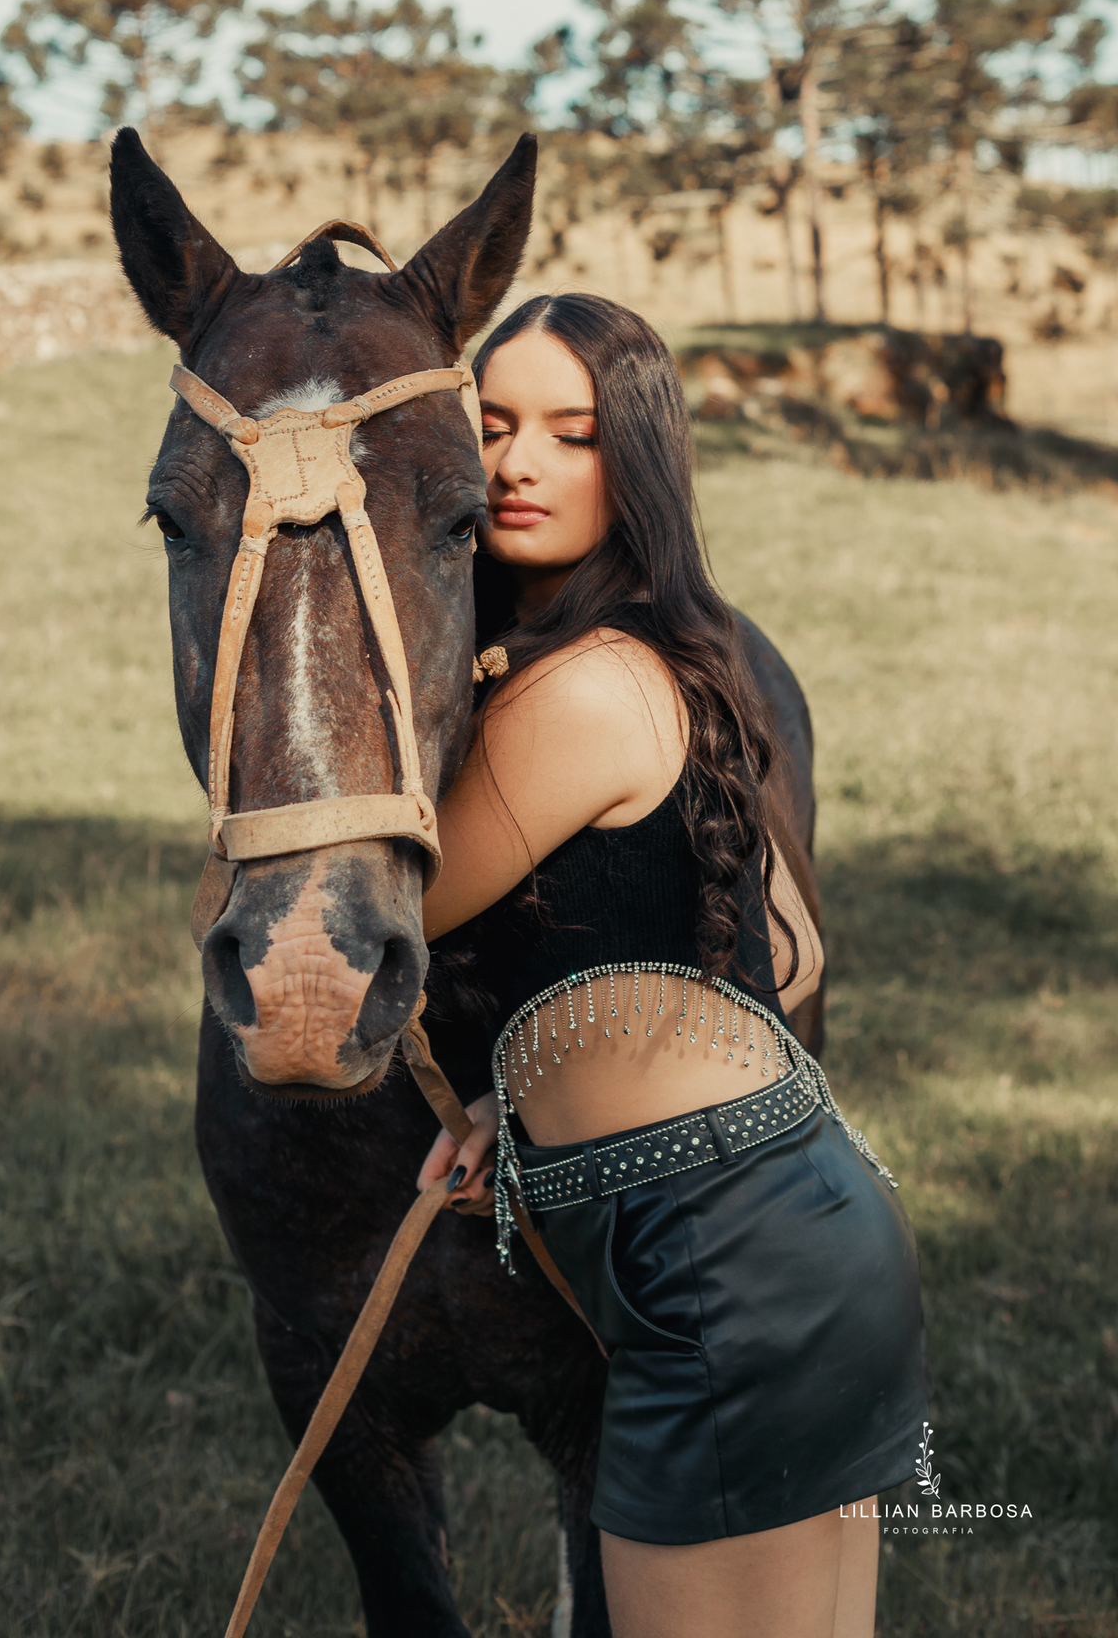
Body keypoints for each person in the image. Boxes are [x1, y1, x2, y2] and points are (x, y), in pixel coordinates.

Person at [418, 293, 927, 1638]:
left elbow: (361, 912)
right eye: (494, 424)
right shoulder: (682, 654)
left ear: (632, 460)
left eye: (572, 434)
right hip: (809, 1222)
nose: (517, 462)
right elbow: (772, 947)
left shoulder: (578, 691)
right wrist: (523, 1094)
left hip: (717, 1271)